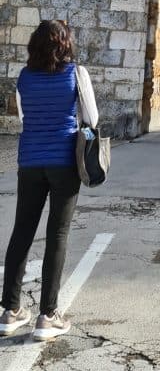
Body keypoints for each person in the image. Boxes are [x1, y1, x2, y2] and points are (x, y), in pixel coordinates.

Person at [0, 20, 98, 341]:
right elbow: (91, 119)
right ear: (65, 44)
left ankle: (10, 311)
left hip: (30, 162)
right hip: (63, 163)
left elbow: (25, 118)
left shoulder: (25, 77)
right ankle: (48, 315)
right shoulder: (76, 74)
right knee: (57, 234)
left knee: (22, 232)